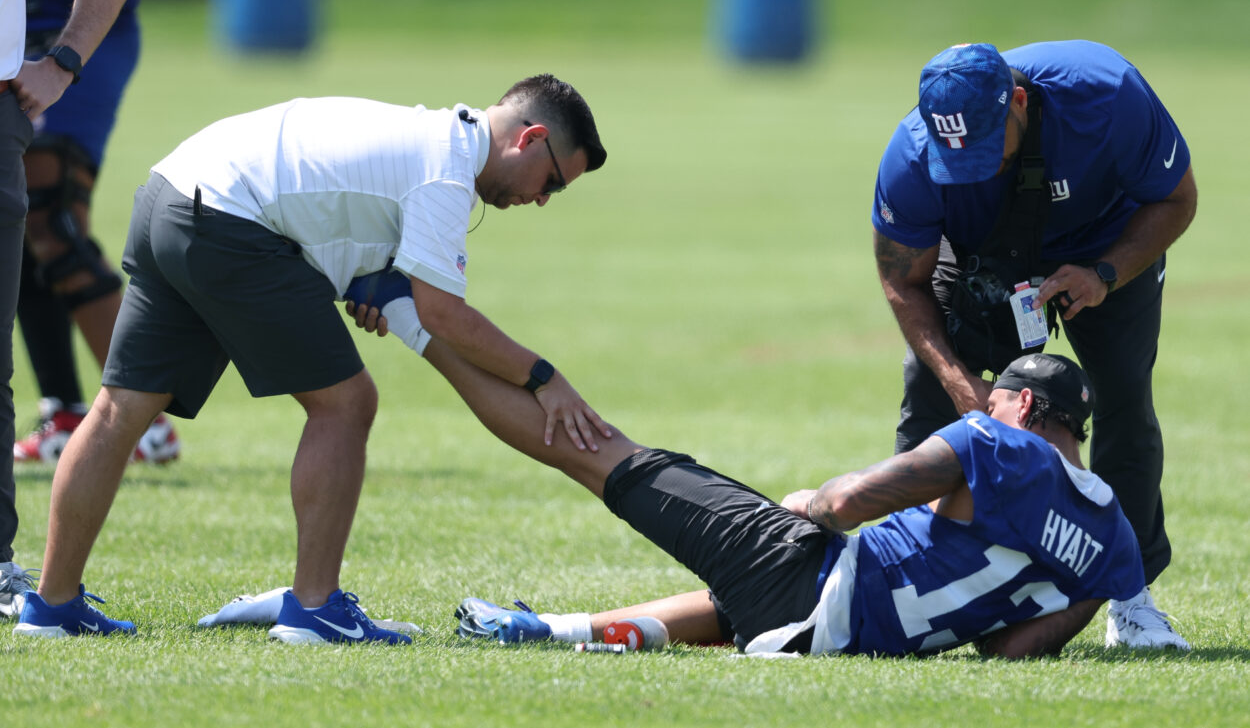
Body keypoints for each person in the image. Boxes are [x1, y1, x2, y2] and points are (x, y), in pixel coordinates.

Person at [12, 74, 610, 642]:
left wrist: (383, 293)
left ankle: (52, 605)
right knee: (346, 405)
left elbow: (391, 287)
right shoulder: (447, 173)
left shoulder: (434, 138)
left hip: (170, 191)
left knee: (120, 409)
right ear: (530, 138)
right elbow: (444, 315)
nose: (542, 200)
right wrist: (544, 377)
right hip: (226, 217)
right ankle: (316, 610)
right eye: (553, 182)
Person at [330, 282, 1147, 658]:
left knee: (599, 447)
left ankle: (415, 326)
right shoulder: (1112, 534)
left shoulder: (999, 442)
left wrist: (811, 502)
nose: (984, 405)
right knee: (731, 609)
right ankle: (545, 630)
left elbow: (855, 498)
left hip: (815, 575)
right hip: (836, 635)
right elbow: (1013, 651)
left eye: (995, 398)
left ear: (1025, 410)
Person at [870, 41, 1196, 649]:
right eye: (953, 161)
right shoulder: (912, 155)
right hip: (978, 253)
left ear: (1018, 103)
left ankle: (1130, 598)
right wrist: (959, 381)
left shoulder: (1108, 96)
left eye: (987, 154)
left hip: (1106, 244)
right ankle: (901, 575)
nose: (972, 170)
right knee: (928, 393)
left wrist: (1104, 274)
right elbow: (902, 279)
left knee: (1122, 398)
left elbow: (1177, 199)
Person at [0, 0, 134, 619]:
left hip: (19, 86)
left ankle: (134, 408)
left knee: (50, 224)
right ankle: (74, 406)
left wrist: (62, 62)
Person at [14, 0, 181, 468]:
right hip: (10, 25)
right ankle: (62, 412)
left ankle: (144, 418)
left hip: (83, 19)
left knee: (51, 210)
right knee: (18, 221)